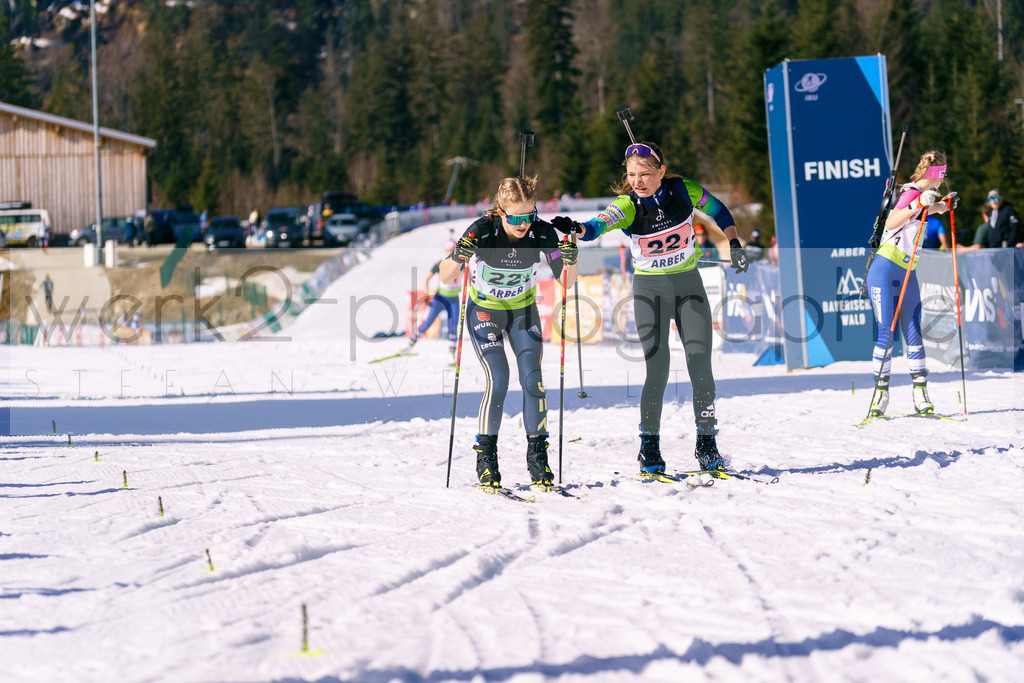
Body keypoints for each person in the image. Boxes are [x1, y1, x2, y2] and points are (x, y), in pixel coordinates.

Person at [551, 140, 749, 474]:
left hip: (689, 286)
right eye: (631, 175)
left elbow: (719, 211)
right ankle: (649, 447)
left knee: (701, 364)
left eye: (645, 173)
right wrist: (578, 228)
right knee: (657, 368)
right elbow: (597, 226)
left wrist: (733, 241)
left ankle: (707, 443)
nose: (638, 181)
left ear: (661, 171)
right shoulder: (627, 205)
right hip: (649, 291)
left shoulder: (684, 190)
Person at [439, 176, 579, 490]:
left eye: (529, 216)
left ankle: (537, 457)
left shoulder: (542, 232)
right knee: (498, 377)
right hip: (485, 311)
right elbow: (446, 277)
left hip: (522, 312)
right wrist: (459, 255)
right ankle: (486, 457)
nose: (523, 224)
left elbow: (566, 282)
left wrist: (571, 260)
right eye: (515, 218)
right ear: (501, 212)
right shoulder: (482, 231)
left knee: (533, 379)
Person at [866, 150, 957, 418]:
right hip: (885, 268)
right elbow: (893, 221)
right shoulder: (911, 192)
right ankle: (879, 398)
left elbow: (929, 208)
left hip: (907, 270)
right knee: (887, 332)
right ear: (935, 174)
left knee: (914, 330)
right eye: (943, 173)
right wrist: (917, 204)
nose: (944, 178)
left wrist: (945, 205)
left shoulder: (925, 195)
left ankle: (920, 395)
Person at [407, 239, 462, 362]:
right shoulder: (441, 263)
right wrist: (427, 295)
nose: (451, 253)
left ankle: (452, 354)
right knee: (427, 323)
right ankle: (410, 344)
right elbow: (426, 278)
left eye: (453, 250)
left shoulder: (462, 263)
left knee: (453, 326)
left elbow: (470, 279)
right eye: (449, 251)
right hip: (440, 299)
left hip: (453, 300)